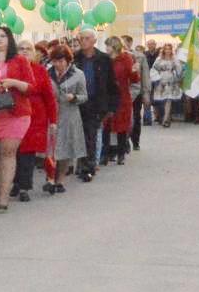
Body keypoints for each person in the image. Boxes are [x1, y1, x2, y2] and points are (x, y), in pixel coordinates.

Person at [0, 25, 35, 211]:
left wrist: (14, 83)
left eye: (3, 36)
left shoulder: (20, 61)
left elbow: (32, 88)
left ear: (10, 39)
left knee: (8, 151)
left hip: (16, 112)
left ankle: (4, 197)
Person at [13, 37, 56, 202]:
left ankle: (24, 187)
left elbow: (49, 97)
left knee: (27, 153)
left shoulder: (39, 70)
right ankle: (16, 182)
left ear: (34, 53)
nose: (24, 51)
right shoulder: (12, 69)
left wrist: (53, 120)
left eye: (28, 49)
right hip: (15, 115)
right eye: (21, 48)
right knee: (14, 151)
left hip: (36, 117)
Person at [72, 29, 117, 179]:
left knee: (91, 135)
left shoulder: (104, 59)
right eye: (81, 38)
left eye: (86, 38)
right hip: (77, 101)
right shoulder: (74, 58)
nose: (83, 41)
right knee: (78, 134)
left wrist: (112, 106)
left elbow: (111, 84)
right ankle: (80, 162)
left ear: (93, 41)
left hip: (95, 103)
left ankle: (89, 167)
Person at [48, 46, 87, 187]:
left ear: (68, 60)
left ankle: (60, 180)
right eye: (55, 61)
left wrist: (74, 97)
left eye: (61, 61)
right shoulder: (47, 73)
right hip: (52, 114)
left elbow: (84, 96)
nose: (58, 64)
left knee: (66, 149)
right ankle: (50, 178)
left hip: (69, 115)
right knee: (51, 148)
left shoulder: (78, 74)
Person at [102, 36, 138, 162]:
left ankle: (121, 153)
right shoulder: (105, 60)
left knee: (121, 125)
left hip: (122, 96)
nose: (106, 48)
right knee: (107, 124)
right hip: (108, 96)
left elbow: (133, 79)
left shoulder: (125, 59)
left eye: (108, 46)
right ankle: (106, 153)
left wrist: (134, 72)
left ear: (115, 47)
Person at [150, 44, 182, 127]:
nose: (168, 51)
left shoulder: (174, 59)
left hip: (171, 81)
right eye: (166, 49)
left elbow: (179, 70)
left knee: (168, 99)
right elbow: (153, 69)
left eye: (169, 49)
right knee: (162, 100)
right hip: (161, 80)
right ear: (163, 50)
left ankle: (165, 119)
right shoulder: (159, 59)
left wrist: (178, 74)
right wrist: (155, 77)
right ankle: (164, 117)